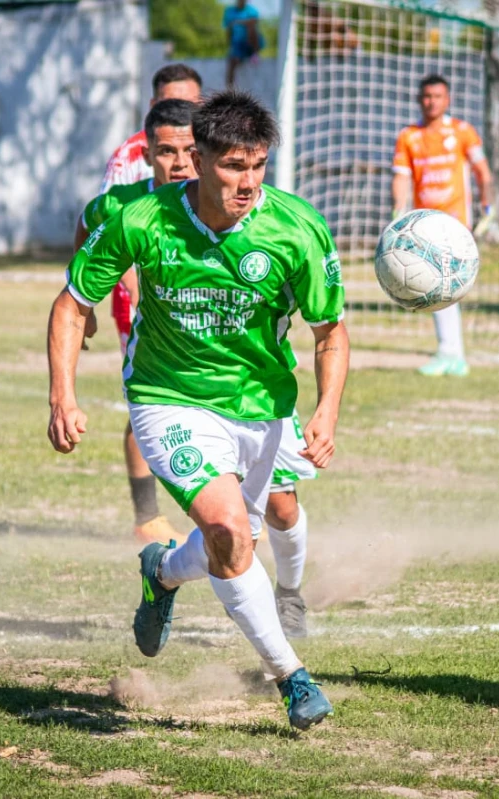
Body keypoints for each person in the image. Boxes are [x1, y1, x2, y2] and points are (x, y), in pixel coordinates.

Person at [48, 92, 349, 729]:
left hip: (262, 406)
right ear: (198, 159)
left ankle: (161, 571)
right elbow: (73, 304)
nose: (247, 182)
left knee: (235, 541)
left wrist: (326, 410)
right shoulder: (141, 219)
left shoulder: (296, 226)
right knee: (231, 535)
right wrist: (63, 394)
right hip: (168, 398)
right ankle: (292, 678)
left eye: (259, 165)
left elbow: (330, 331)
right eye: (234, 166)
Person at [73, 99, 199, 546]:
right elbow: (87, 223)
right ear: (146, 154)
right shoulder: (121, 202)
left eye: (188, 150)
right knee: (147, 407)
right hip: (144, 323)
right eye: (167, 152)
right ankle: (147, 516)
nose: (180, 163)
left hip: (208, 323)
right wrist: (86, 301)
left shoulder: (218, 197)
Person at [392, 74, 494, 377]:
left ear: (447, 99)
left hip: (455, 223)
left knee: (442, 283)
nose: (431, 101)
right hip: (423, 225)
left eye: (437, 96)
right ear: (419, 99)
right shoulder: (409, 136)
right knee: (436, 285)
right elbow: (401, 177)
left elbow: (482, 172)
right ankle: (452, 353)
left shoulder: (463, 132)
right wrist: (399, 212)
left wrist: (488, 207)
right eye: (426, 96)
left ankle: (451, 353)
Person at [100, 64, 203, 194]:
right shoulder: (127, 157)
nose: (178, 110)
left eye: (189, 104)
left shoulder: (217, 150)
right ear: (148, 156)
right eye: (166, 151)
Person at [224, 0, 264, 88]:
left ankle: (255, 53)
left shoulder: (251, 10)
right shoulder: (230, 11)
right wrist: (230, 47)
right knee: (232, 62)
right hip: (237, 44)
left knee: (251, 28)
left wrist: (238, 22)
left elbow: (253, 22)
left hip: (249, 43)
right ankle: (229, 91)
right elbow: (228, 30)